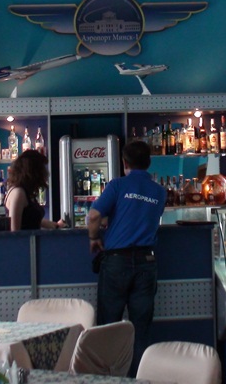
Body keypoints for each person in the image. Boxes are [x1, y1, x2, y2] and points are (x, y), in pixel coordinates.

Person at [87, 140, 166, 375]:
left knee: (108, 328)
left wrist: (93, 237)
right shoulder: (159, 192)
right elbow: (144, 216)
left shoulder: (118, 185)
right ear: (149, 163)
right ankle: (137, 377)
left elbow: (93, 216)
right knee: (140, 329)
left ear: (124, 163)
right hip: (146, 262)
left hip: (117, 262)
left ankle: (107, 378)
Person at [4, 150, 64, 231]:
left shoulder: (24, 191)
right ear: (34, 171)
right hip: (27, 239)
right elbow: (15, 232)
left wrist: (56, 225)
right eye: (42, 168)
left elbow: (30, 219)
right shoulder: (18, 193)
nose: (46, 172)